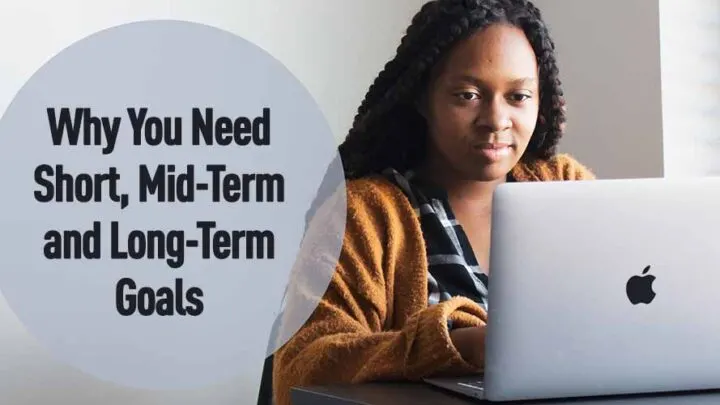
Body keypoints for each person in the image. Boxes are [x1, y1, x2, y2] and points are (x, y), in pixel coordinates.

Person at [272, 0, 595, 403]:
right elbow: (301, 367)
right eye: (468, 95)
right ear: (424, 98)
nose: (496, 119)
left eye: (518, 96)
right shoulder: (364, 215)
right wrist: (456, 346)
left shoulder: (565, 188)